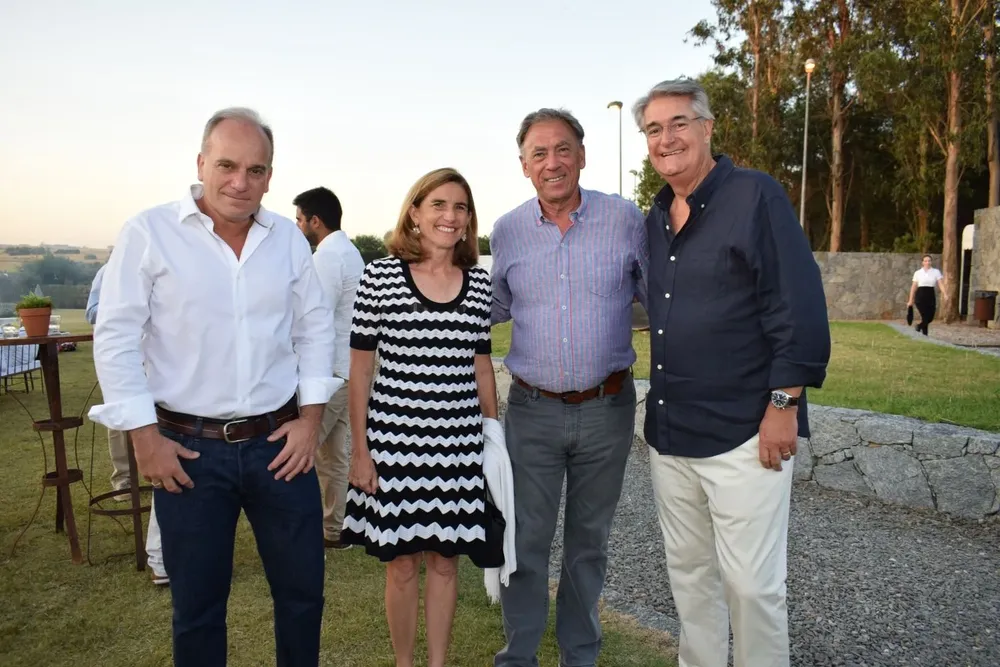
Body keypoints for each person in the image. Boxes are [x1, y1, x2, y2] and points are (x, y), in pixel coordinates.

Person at [88, 107, 339, 667]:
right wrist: (144, 438)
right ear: (201, 162)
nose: (240, 182)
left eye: (256, 169)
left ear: (270, 176)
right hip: (189, 452)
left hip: (281, 448)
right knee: (198, 609)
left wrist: (312, 421)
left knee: (302, 597)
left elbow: (316, 330)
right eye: (227, 165)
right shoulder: (149, 233)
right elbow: (117, 337)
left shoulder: (288, 243)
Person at [632, 78, 831, 667]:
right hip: (671, 435)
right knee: (691, 581)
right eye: (653, 129)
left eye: (678, 124)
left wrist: (783, 405)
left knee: (753, 587)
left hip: (746, 433)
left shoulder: (755, 196)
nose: (666, 139)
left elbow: (798, 306)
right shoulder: (656, 217)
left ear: (707, 128)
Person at [489, 108, 648, 667]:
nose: (552, 162)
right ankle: (519, 656)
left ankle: (580, 656)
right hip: (531, 412)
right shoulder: (506, 231)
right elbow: (494, 309)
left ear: (582, 154)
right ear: (524, 166)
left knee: (589, 546)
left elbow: (661, 299)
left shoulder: (627, 220)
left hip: (607, 408)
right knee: (525, 543)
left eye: (562, 149)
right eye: (539, 153)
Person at [340, 167, 497, 667]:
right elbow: (360, 371)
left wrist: (493, 439)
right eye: (439, 205)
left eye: (461, 208)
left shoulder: (476, 283)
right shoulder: (380, 276)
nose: (451, 217)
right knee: (402, 566)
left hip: (457, 445)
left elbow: (482, 365)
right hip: (393, 445)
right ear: (414, 212)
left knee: (447, 564)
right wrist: (360, 451)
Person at [86, 263, 169, 585]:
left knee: (172, 458)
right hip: (134, 372)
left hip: (162, 371)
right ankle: (161, 559)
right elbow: (96, 313)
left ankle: (162, 558)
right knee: (144, 443)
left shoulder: (166, 270)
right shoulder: (111, 272)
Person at [293, 186, 365, 550]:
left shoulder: (326, 256)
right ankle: (334, 530)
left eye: (300, 220)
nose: (298, 226)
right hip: (349, 371)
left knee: (300, 452)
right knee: (333, 457)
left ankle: (294, 532)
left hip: (332, 372)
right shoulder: (349, 252)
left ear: (315, 221)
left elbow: (314, 319)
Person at [907, 254, 947, 335]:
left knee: (930, 317)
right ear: (922, 262)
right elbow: (913, 287)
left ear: (931, 262)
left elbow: (940, 284)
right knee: (925, 317)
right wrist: (910, 300)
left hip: (930, 295)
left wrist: (945, 293)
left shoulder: (936, 272)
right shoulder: (918, 273)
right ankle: (924, 334)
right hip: (920, 296)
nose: (927, 262)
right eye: (925, 261)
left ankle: (919, 327)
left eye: (929, 261)